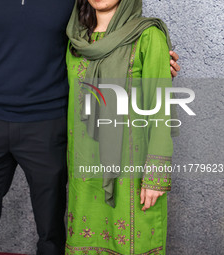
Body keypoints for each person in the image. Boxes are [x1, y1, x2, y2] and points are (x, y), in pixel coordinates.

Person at [0, 0, 180, 254]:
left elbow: (105, 40)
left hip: (48, 127)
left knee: (52, 231)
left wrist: (155, 61)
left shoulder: (78, 4)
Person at [65, 0, 178, 254]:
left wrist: (156, 176)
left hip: (133, 174)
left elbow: (160, 110)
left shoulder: (148, 36)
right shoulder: (76, 41)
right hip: (85, 169)